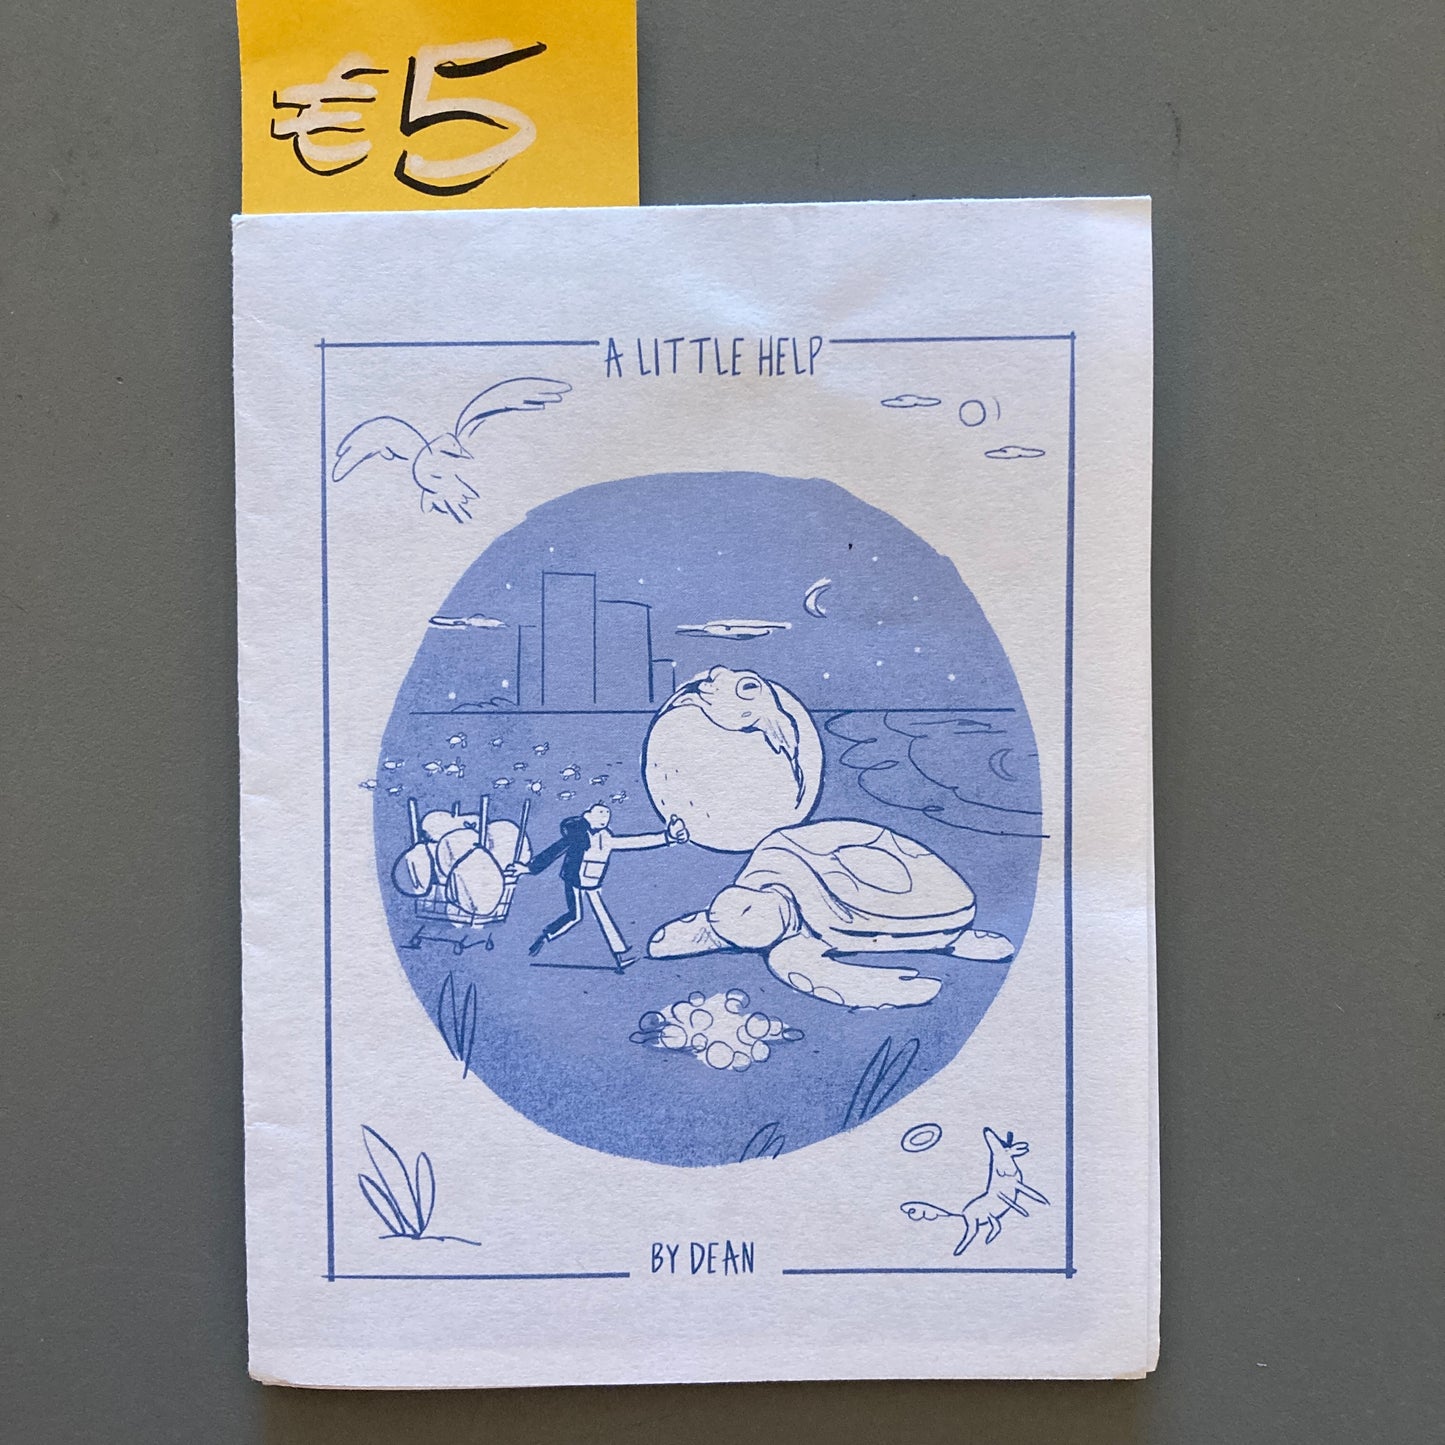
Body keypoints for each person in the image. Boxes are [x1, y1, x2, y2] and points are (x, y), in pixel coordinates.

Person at [513, 803, 687, 967]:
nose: (604, 817)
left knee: (604, 917)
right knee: (575, 916)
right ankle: (545, 937)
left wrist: (667, 837)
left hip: (593, 883)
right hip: (575, 881)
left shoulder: (607, 838)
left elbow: (634, 842)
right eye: (600, 814)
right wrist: (528, 869)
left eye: (607, 815)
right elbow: (553, 852)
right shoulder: (578, 836)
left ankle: (620, 956)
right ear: (588, 816)